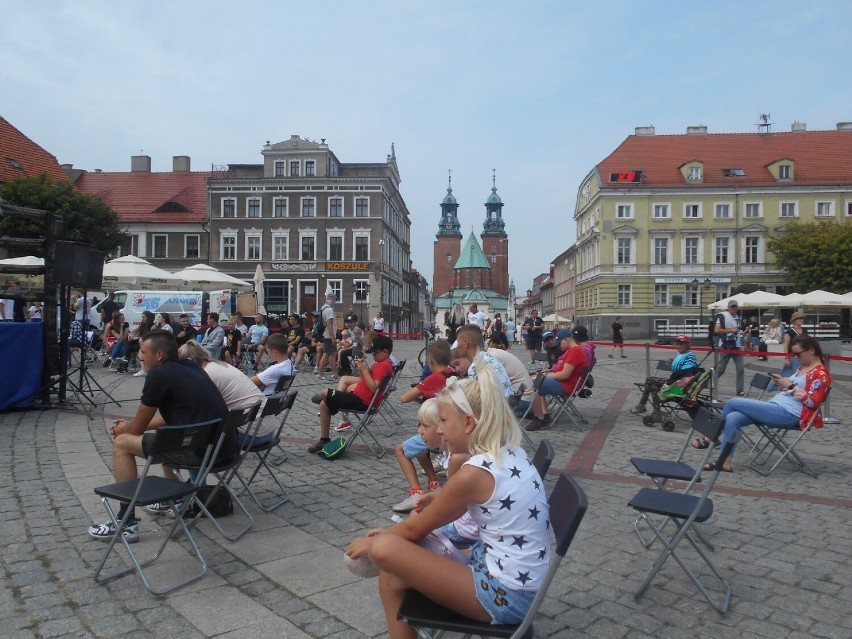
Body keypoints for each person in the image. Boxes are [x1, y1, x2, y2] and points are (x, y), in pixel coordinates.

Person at [345, 366, 551, 633]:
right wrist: (438, 496)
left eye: (443, 421)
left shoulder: (472, 473)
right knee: (393, 570)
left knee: (385, 550)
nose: (439, 430)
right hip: (516, 579)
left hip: (505, 596)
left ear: (468, 423)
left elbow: (413, 528)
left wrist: (372, 543)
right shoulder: (509, 452)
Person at [87, 331, 231, 543]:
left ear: (160, 354)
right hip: (223, 448)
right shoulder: (190, 367)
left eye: (144, 352)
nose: (140, 356)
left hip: (201, 453)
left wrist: (125, 429)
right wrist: (130, 426)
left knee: (122, 444)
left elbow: (136, 430)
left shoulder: (159, 376)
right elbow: (172, 416)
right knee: (166, 440)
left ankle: (126, 523)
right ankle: (176, 499)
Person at [694, 336, 830, 473]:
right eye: (794, 354)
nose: (795, 357)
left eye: (798, 354)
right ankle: (725, 462)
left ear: (811, 350)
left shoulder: (821, 373)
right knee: (733, 417)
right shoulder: (803, 367)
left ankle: (711, 436)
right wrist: (783, 383)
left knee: (733, 402)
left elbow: (813, 402)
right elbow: (791, 389)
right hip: (776, 408)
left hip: (791, 414)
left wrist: (790, 387)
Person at [393, 341, 458, 512]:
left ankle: (416, 491)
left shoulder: (435, 377)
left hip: (437, 428)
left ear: (430, 361)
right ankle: (433, 481)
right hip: (451, 424)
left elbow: (404, 398)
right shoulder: (454, 374)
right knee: (421, 450)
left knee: (401, 450)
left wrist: (421, 391)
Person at [177, 340, 274, 447]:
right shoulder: (220, 365)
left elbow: (197, 409)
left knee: (194, 433)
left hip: (251, 435)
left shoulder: (206, 374)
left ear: (190, 360)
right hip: (266, 429)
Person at [308, 335, 395, 454]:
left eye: (375, 353)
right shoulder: (382, 363)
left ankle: (328, 398)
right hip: (359, 398)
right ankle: (324, 439)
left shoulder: (384, 365)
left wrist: (364, 370)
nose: (373, 355)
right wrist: (361, 369)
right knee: (324, 405)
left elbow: (374, 388)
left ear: (385, 352)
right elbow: (365, 379)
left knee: (325, 392)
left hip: (362, 402)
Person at [526, 327, 588, 431]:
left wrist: (546, 376)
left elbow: (564, 375)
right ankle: (543, 416)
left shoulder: (574, 352)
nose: (559, 345)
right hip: (567, 384)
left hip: (566, 386)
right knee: (538, 382)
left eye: (560, 342)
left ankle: (539, 418)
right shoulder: (573, 351)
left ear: (566, 340)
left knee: (535, 382)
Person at [629, 334, 699, 421]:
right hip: (675, 381)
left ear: (687, 345)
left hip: (678, 384)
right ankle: (656, 413)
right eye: (677, 343)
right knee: (653, 386)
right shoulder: (680, 354)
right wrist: (673, 362)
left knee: (650, 379)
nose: (679, 345)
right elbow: (680, 368)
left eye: (682, 344)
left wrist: (670, 380)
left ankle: (642, 405)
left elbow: (686, 372)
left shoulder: (690, 356)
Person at [452, 324, 512, 397]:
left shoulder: (475, 368)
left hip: (497, 406)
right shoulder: (487, 357)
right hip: (506, 403)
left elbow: (474, 399)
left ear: (466, 343)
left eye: (458, 342)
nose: (457, 346)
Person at [485, 331, 534, 416]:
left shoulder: (495, 355)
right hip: (525, 397)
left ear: (492, 343)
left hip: (520, 400)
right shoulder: (504, 354)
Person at [714, 299, 745, 396]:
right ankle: (709, 382)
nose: (733, 308)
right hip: (725, 345)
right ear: (728, 307)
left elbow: (739, 331)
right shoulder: (722, 317)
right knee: (721, 369)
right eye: (732, 306)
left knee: (740, 368)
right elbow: (717, 330)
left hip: (736, 346)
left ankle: (740, 389)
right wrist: (731, 330)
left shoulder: (739, 318)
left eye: (735, 306)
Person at [315, 293, 338, 380]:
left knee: (332, 355)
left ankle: (334, 373)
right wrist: (332, 337)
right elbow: (329, 324)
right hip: (329, 336)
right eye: (335, 299)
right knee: (326, 355)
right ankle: (320, 374)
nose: (335, 301)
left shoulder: (324, 307)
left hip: (328, 335)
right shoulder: (329, 310)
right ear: (332, 299)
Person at [781, 312, 808, 379]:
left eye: (802, 319)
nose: (801, 320)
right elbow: (786, 345)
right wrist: (786, 358)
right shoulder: (789, 331)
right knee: (793, 375)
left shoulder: (805, 330)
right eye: (799, 319)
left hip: (804, 356)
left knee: (802, 375)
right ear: (794, 320)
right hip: (793, 357)